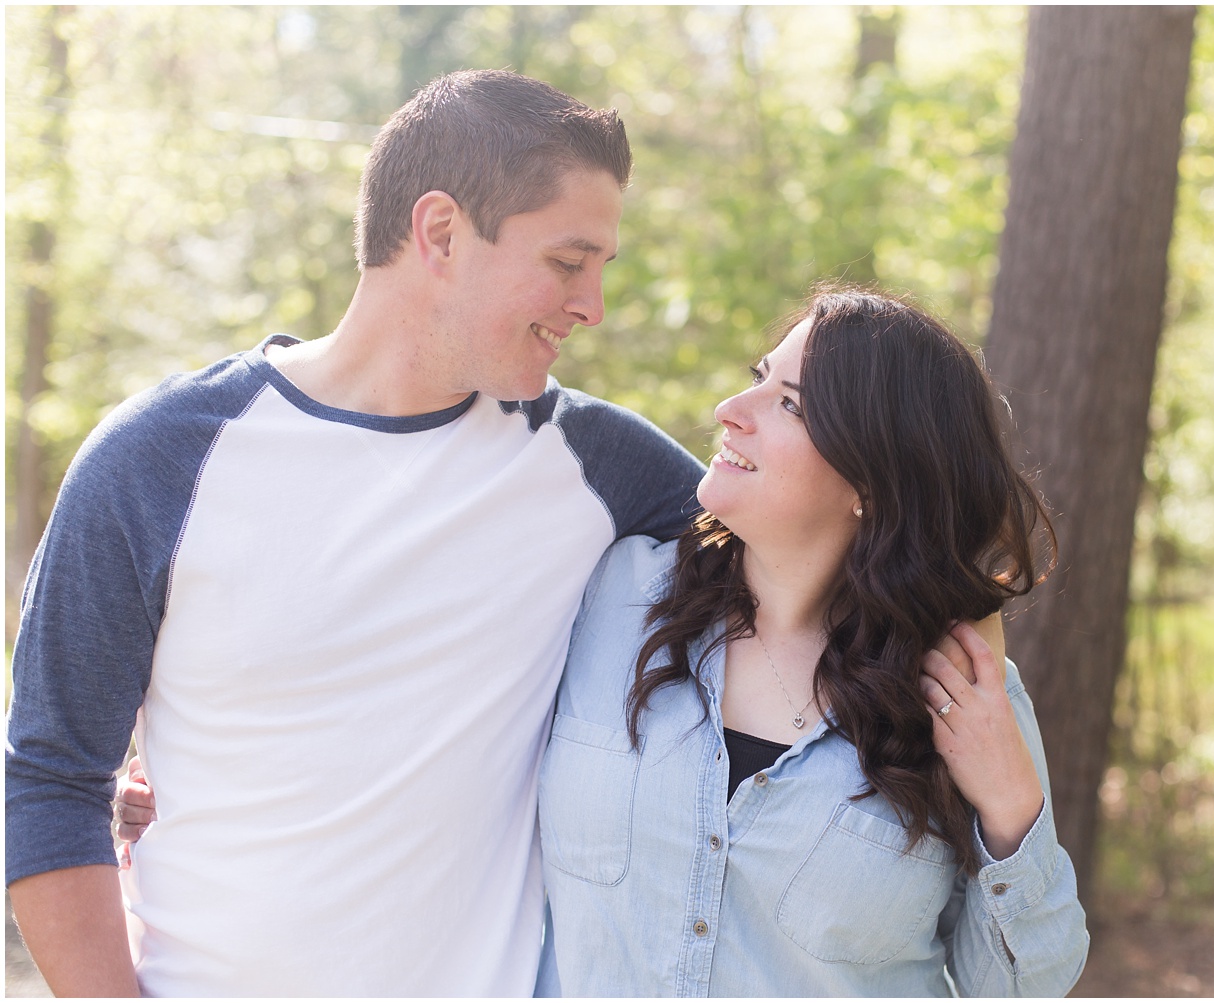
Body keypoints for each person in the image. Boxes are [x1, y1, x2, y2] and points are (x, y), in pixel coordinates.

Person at [5, 70, 706, 997]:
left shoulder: (603, 468)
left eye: (601, 271)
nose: (592, 306)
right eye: (569, 263)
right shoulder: (157, 462)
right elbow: (52, 779)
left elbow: (820, 566)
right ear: (442, 234)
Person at [532, 288, 1088, 995]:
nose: (731, 409)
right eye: (759, 375)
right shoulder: (611, 594)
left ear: (875, 477)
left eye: (789, 404)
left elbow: (1024, 987)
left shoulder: (964, 693)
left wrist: (1012, 809)